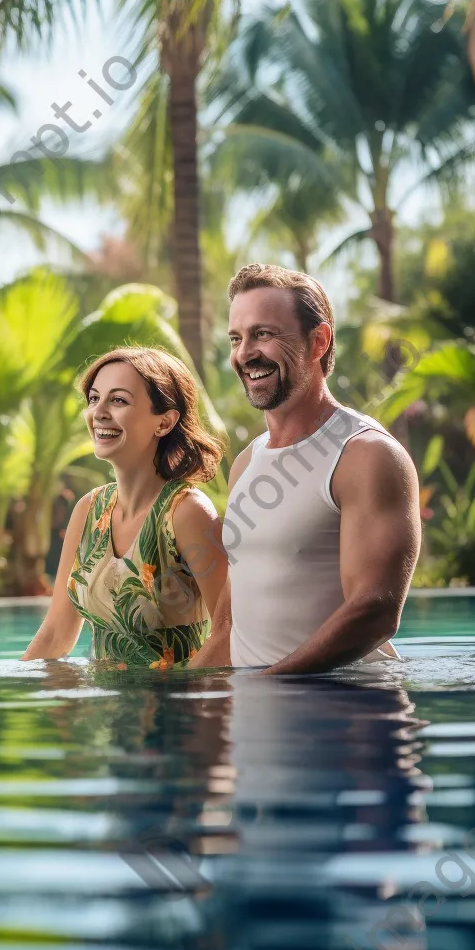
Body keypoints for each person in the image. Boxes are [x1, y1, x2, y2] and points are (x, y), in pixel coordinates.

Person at [190, 263, 421, 673]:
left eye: (264, 334)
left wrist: (269, 685)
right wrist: (188, 698)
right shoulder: (247, 462)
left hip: (344, 711)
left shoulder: (365, 455)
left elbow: (375, 612)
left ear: (318, 342)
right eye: (236, 338)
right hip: (261, 716)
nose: (245, 353)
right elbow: (228, 624)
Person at [22, 347, 229, 670]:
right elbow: (55, 635)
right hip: (109, 712)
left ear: (164, 422)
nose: (98, 412)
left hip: (176, 711)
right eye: (93, 399)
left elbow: (228, 634)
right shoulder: (88, 511)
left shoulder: (186, 513)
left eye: (118, 400)